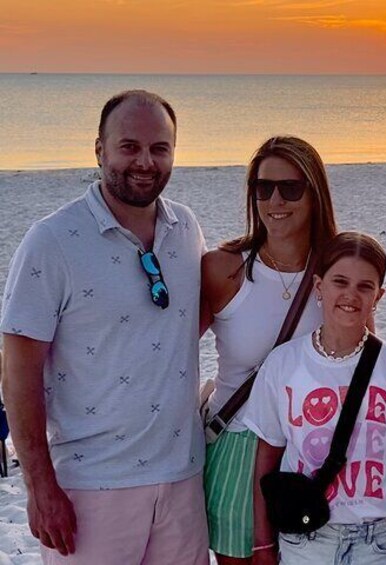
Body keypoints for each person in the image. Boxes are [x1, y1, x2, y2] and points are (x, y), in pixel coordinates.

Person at [0, 90, 209, 563]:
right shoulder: (50, 242)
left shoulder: (186, 228)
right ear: (99, 150)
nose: (145, 161)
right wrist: (39, 487)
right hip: (89, 487)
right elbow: (18, 373)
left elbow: (181, 327)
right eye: (129, 146)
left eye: (160, 148)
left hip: (182, 481)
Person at [244, 232, 386, 565]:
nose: (350, 295)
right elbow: (266, 458)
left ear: (379, 296)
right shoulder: (283, 363)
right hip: (305, 540)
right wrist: (262, 544)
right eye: (340, 282)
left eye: (365, 286)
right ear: (319, 286)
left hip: (379, 542)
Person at [199, 136, 338, 564]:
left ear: (314, 193)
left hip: (315, 448)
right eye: (263, 188)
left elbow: (365, 365)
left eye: (290, 188)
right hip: (239, 445)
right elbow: (167, 354)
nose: (275, 199)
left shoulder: (337, 270)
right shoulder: (224, 269)